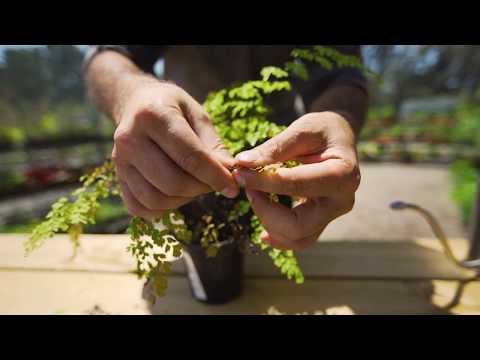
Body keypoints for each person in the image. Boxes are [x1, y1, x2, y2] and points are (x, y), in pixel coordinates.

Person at [83, 45, 369, 252]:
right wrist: (132, 93)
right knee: (204, 249)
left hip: (281, 166)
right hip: (180, 158)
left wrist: (338, 118)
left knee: (280, 244)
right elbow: (107, 53)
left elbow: (341, 74)